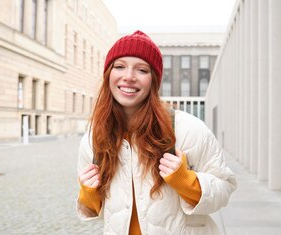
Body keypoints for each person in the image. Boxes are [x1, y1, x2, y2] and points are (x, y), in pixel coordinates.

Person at [76, 30, 237, 234]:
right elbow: (95, 208)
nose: (129, 77)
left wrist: (186, 181)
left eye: (142, 70)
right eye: (119, 66)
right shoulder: (93, 138)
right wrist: (88, 193)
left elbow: (224, 187)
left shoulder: (187, 129)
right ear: (108, 75)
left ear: (154, 80)